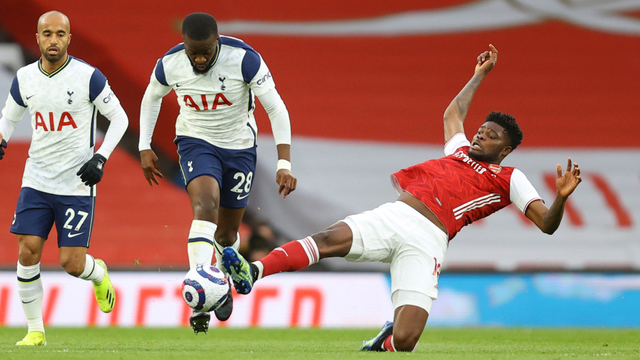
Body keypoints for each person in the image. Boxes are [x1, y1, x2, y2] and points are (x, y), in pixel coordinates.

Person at [221, 44, 582, 352]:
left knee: (407, 339)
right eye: (481, 130)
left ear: (505, 149)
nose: (479, 137)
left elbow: (547, 224)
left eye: (489, 137)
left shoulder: (510, 177)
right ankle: (254, 271)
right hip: (396, 216)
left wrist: (561, 198)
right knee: (327, 239)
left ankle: (385, 341)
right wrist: (479, 75)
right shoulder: (459, 150)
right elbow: (453, 115)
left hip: (429, 241)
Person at [138, 12, 297, 332]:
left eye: (206, 52)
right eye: (192, 52)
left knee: (226, 235)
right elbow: (151, 98)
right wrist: (144, 145)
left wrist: (284, 162)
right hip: (195, 142)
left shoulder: (244, 60)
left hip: (239, 148)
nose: (198, 58)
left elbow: (276, 107)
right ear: (183, 44)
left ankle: (220, 283)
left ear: (217, 42)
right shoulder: (169, 64)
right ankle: (199, 285)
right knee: (205, 205)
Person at [0, 11, 128, 346]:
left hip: (76, 184)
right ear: (38, 37)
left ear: (69, 38)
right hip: (37, 180)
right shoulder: (25, 77)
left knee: (71, 263)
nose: (53, 40)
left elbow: (120, 119)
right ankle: (35, 330)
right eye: (47, 34)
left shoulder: (88, 77)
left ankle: (98, 274)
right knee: (28, 251)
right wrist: (1, 137)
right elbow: (8, 118)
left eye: (60, 34)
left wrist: (100, 157)